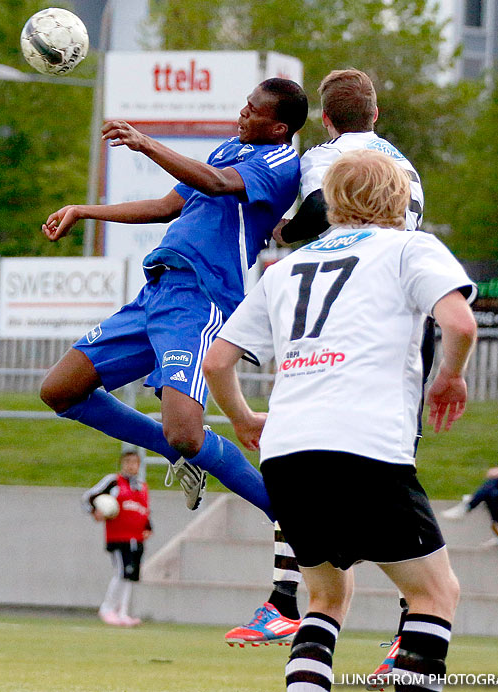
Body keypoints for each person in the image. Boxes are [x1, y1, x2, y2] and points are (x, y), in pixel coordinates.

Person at [203, 149, 477, 692]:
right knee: (434, 594)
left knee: (325, 599)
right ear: (399, 198)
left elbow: (215, 359)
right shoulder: (407, 247)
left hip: (287, 452)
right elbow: (459, 323)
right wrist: (449, 377)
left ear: (331, 202)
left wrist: (240, 417)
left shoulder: (287, 268)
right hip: (365, 445)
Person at [40, 79, 308, 520]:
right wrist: (84, 210)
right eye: (244, 103)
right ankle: (181, 453)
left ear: (279, 128)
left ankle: (287, 514)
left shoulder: (280, 162)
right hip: (157, 290)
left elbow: (219, 183)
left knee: (186, 432)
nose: (242, 113)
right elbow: (166, 206)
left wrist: (146, 144)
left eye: (253, 109)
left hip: (201, 298)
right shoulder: (230, 149)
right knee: (59, 391)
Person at [225, 67, 424, 650]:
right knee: (398, 468)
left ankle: (286, 600)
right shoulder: (406, 165)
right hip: (405, 320)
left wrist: (286, 232)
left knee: (298, 448)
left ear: (330, 120)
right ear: (376, 115)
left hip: (341, 316)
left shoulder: (326, 155)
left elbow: (315, 213)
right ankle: (412, 631)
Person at [82, 450, 151, 626]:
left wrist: (148, 527)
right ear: (122, 463)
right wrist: (94, 511)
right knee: (121, 572)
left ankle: (123, 612)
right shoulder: (114, 482)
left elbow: (143, 510)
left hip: (136, 538)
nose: (131, 465)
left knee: (130, 576)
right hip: (119, 537)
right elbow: (89, 497)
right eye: (127, 462)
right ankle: (107, 608)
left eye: (134, 462)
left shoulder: (142, 487)